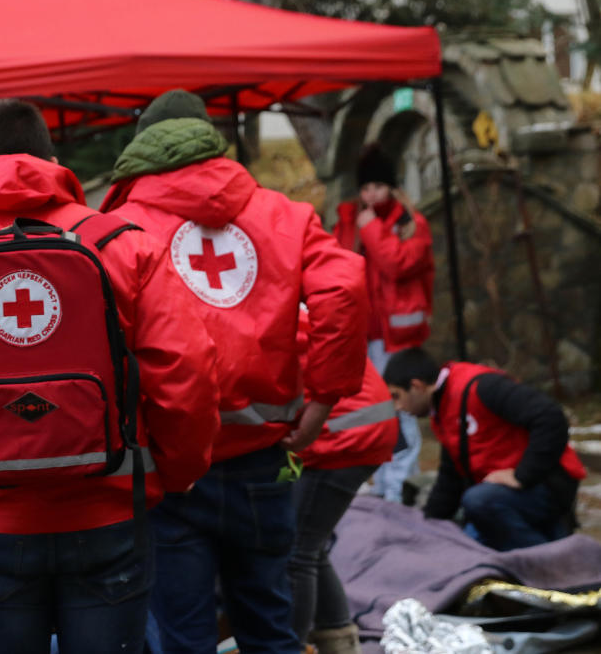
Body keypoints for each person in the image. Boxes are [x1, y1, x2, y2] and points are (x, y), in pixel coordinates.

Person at [0, 99, 221, 654]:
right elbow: (186, 372)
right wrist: (175, 473)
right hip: (109, 511)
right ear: (55, 163)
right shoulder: (124, 245)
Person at [100, 90, 367, 653]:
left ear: (143, 145)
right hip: (264, 462)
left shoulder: (118, 229)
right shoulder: (284, 214)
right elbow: (342, 288)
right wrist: (321, 403)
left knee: (183, 635)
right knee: (271, 628)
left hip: (168, 468)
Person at [383, 348, 587, 551]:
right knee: (467, 542)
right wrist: (425, 527)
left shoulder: (480, 387)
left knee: (478, 502)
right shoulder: (442, 409)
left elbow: (550, 418)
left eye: (396, 396)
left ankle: (547, 562)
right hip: (504, 495)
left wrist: (522, 475)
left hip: (545, 483)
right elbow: (451, 476)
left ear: (416, 386)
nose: (397, 407)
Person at [290, 311, 398, 654]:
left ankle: (286, 646)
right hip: (356, 425)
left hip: (344, 433)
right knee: (310, 544)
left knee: (297, 551)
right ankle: (339, 639)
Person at [333, 144, 434, 504]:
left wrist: (371, 229)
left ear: (391, 187)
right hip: (365, 335)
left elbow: (398, 264)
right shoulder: (352, 222)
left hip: (398, 338)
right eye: (365, 188)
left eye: (377, 186)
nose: (370, 194)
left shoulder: (410, 224)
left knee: (401, 411)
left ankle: (401, 488)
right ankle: (380, 484)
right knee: (374, 411)